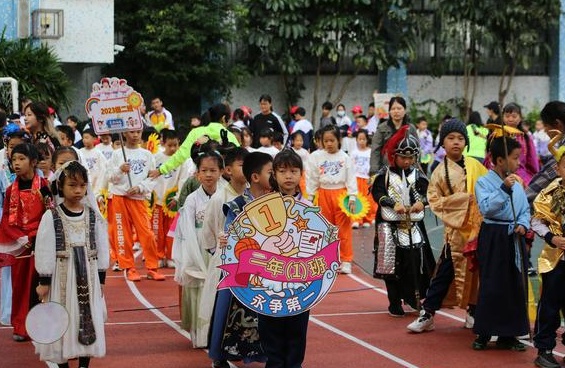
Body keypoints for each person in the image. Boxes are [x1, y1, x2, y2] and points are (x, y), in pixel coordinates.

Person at [407, 119, 488, 333]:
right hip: (455, 235)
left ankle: (472, 310)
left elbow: (488, 188)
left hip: (477, 232)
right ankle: (428, 313)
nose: (456, 142)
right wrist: (465, 200)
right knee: (443, 274)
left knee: (476, 274)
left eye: (461, 139)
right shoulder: (439, 172)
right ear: (442, 142)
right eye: (451, 138)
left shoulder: (475, 165)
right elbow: (435, 201)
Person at [34, 161, 108, 367]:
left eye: (82, 185)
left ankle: (84, 363)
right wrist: (44, 280)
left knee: (87, 317)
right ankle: (63, 362)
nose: (78, 190)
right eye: (72, 185)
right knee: (61, 317)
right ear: (60, 187)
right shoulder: (52, 216)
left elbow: (101, 246)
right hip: (62, 277)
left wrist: (101, 277)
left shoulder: (93, 215)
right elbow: (44, 248)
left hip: (89, 276)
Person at [208, 152, 271, 368]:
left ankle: (266, 354)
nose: (277, 177)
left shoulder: (276, 203)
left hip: (267, 269)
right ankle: (219, 355)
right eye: (271, 172)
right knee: (227, 311)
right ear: (255, 177)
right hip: (240, 269)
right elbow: (231, 236)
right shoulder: (237, 205)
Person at [472, 137, 530, 351]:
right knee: (492, 283)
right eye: (515, 158)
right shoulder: (484, 182)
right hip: (494, 235)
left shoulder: (517, 182)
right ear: (499, 160)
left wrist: (523, 224)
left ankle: (509, 334)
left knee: (513, 285)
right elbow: (487, 208)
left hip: (513, 236)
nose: (518, 163)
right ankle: (484, 332)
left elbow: (524, 209)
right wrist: (503, 189)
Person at [372, 125, 435, 317]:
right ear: (394, 156)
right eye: (403, 157)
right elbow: (378, 194)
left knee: (416, 261)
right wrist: (392, 203)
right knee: (391, 264)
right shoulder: (384, 176)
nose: (407, 161)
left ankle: (414, 297)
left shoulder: (419, 176)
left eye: (411, 157)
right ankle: (394, 302)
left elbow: (427, 195)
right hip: (389, 226)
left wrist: (421, 203)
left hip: (413, 226)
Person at [257, 150, 311, 368]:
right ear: (274, 175)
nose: (288, 176)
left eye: (293, 171)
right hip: (269, 281)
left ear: (301, 174)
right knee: (270, 331)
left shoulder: (310, 209)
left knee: (297, 331)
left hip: (300, 283)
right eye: (282, 171)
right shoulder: (262, 206)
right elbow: (249, 240)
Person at [199, 147, 249, 352]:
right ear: (228, 170)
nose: (246, 169)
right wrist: (219, 251)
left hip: (249, 261)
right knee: (221, 308)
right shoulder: (219, 198)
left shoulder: (253, 196)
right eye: (241, 165)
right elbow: (208, 235)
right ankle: (218, 352)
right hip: (224, 261)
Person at [0, 143, 52, 341]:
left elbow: (51, 213)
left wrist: (38, 235)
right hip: (20, 245)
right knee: (20, 285)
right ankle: (21, 326)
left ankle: (42, 326)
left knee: (41, 284)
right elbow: (6, 218)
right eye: (14, 160)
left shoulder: (44, 186)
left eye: (21, 159)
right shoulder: (10, 190)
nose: (17, 164)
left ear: (33, 162)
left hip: (41, 241)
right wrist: (19, 237)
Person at [172, 150, 223, 347]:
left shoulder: (224, 195)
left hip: (219, 249)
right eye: (204, 170)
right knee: (199, 291)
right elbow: (186, 229)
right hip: (198, 249)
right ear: (197, 174)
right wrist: (193, 255)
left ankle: (217, 335)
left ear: (221, 172)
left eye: (213, 170)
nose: (209, 175)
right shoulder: (192, 199)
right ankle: (200, 337)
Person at [107, 129, 165, 282]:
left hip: (139, 199)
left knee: (147, 234)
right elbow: (110, 178)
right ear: (124, 133)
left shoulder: (147, 155)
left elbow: (153, 178)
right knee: (123, 234)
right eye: (131, 132)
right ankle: (130, 268)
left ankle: (152, 268)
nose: (135, 135)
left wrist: (140, 187)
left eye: (138, 132)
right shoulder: (117, 154)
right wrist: (120, 170)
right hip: (120, 197)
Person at [530, 132, 565, 368]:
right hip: (556, 260)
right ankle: (544, 349)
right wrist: (553, 238)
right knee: (550, 305)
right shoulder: (550, 192)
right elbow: (536, 221)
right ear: (558, 168)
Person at [306, 125, 357, 274]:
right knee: (326, 229)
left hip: (341, 194)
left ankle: (346, 259)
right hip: (323, 194)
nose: (329, 143)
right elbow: (312, 177)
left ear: (338, 140)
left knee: (344, 229)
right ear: (321, 141)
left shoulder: (345, 157)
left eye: (332, 140)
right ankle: (329, 259)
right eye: (326, 141)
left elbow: (351, 177)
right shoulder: (316, 156)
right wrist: (310, 196)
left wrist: (352, 196)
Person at [149, 103, 239, 179]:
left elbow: (181, 155)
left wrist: (161, 170)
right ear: (223, 118)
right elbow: (239, 159)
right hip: (223, 182)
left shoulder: (196, 132)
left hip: (200, 180)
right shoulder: (229, 136)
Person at [153, 129, 192, 268]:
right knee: (157, 230)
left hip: (172, 202)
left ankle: (170, 256)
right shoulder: (156, 158)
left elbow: (182, 180)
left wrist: (177, 197)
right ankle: (158, 255)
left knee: (171, 231)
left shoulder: (181, 160)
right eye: (170, 145)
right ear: (163, 142)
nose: (173, 148)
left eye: (175, 145)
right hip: (157, 201)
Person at [484, 103, 539, 186]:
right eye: (507, 116)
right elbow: (490, 156)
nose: (510, 119)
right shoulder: (496, 134)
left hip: (521, 175)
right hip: (499, 174)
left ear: (520, 118)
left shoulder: (525, 137)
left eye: (514, 116)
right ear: (502, 117)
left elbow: (532, 160)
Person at [370, 97, 418, 175]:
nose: (396, 111)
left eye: (399, 108)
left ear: (405, 110)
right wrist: (374, 171)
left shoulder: (411, 128)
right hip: (386, 169)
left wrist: (415, 169)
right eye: (393, 109)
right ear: (389, 111)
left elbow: (417, 150)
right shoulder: (382, 128)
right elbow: (375, 150)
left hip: (407, 169)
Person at [350, 129, 377, 228]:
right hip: (356, 178)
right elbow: (350, 166)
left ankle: (368, 219)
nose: (362, 141)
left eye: (364, 139)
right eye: (360, 139)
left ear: (367, 140)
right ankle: (356, 219)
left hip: (367, 178)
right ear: (356, 140)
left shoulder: (370, 152)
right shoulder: (353, 152)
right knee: (357, 199)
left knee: (368, 199)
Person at [79, 129, 107, 196]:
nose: (84, 140)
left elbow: (103, 169)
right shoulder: (80, 152)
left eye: (86, 137)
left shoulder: (98, 153)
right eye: (83, 138)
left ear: (94, 139)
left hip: (96, 183)